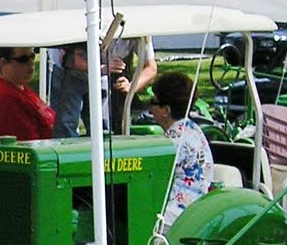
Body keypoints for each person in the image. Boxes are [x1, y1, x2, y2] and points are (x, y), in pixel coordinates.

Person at [51, 35, 156, 137]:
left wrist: (131, 86)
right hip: (70, 70)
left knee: (101, 128)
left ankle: (100, 145)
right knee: (66, 125)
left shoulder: (141, 33)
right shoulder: (98, 26)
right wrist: (102, 68)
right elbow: (70, 60)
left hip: (102, 71)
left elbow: (151, 67)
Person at [147, 71, 213, 227]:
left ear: (166, 110)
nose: (150, 107)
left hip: (178, 213)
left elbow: (151, 175)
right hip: (197, 204)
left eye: (153, 101)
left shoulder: (175, 141)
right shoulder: (193, 129)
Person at [0, 47, 56, 142]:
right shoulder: (7, 100)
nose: (31, 63)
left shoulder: (16, 84)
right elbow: (25, 144)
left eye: (32, 56)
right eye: (23, 59)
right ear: (3, 63)